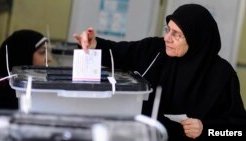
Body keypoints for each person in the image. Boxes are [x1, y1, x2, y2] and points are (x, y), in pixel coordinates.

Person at [74, 4, 246, 140]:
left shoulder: (222, 75)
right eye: (167, 30)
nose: (167, 38)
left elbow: (237, 131)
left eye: (176, 34)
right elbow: (119, 52)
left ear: (196, 39)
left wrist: (206, 129)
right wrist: (94, 44)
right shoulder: (155, 50)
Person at [0, 29, 52, 110]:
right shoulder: (1, 95)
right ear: (23, 55)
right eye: (42, 52)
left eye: (49, 52)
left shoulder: (33, 89)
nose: (49, 58)